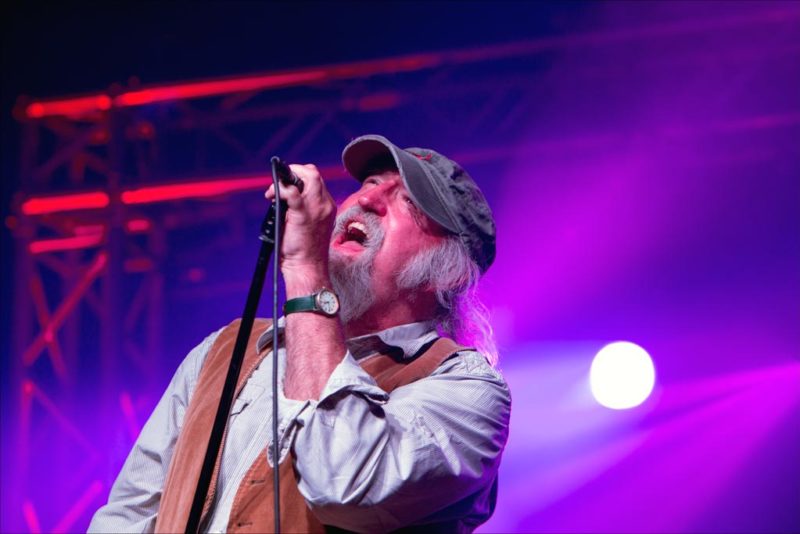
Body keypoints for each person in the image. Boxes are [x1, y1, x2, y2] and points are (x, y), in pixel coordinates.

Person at [88, 134, 511, 533]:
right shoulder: (226, 349)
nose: (366, 199)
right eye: (369, 182)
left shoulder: (466, 391)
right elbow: (131, 513)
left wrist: (307, 270)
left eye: (407, 201)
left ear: (447, 272)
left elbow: (343, 483)